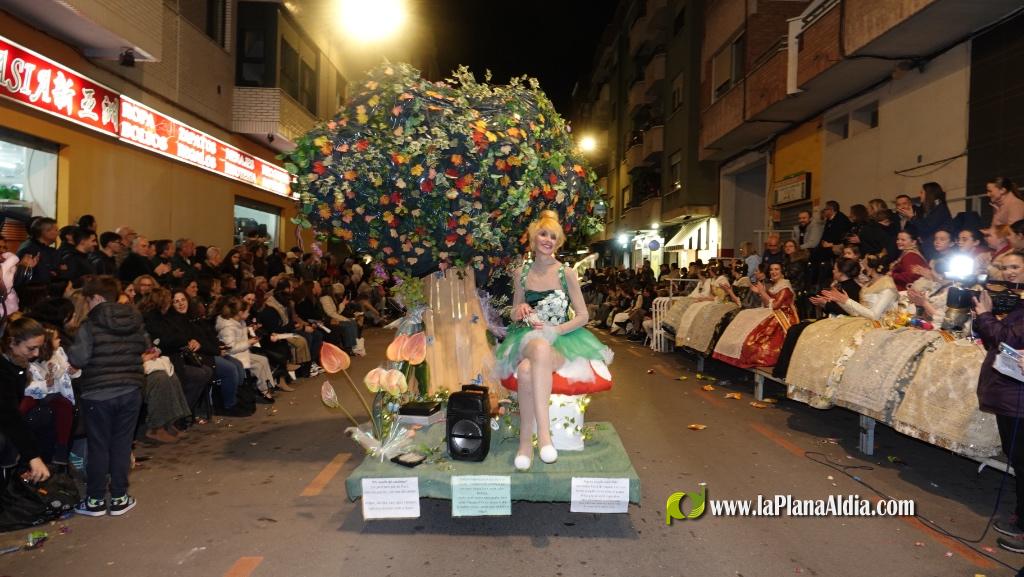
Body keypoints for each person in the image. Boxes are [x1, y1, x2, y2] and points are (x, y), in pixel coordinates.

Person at [494, 211, 613, 471]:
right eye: (543, 234)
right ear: (533, 238)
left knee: (526, 370)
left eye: (553, 236)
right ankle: (545, 437)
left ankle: (526, 445)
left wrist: (555, 331)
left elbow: (583, 316)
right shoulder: (521, 273)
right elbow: (513, 313)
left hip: (561, 339)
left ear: (558, 242)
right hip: (525, 337)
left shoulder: (566, 273)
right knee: (537, 346)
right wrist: (521, 308)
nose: (548, 240)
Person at [67, 276, 148, 517]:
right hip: (131, 389)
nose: (88, 305)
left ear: (97, 298)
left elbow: (79, 359)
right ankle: (120, 497)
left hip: (98, 393)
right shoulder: (134, 318)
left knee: (99, 446)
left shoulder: (89, 326)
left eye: (88, 300)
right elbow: (144, 346)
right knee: (122, 444)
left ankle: (94, 500)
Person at [972, 250, 1024, 553]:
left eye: (1015, 266)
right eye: (1004, 267)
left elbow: (1008, 340)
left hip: (1018, 397)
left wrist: (985, 316)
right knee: (1017, 457)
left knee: (1022, 459)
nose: (1008, 272)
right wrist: (983, 317)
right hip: (1010, 393)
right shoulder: (1015, 302)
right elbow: (994, 340)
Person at [0, 317, 50, 484]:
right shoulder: (4, 370)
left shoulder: (16, 365)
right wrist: (33, 457)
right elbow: (10, 415)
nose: (35, 354)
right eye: (31, 348)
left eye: (38, 348)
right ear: (12, 342)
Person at [727, 262, 798, 368]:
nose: (773, 272)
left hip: (783, 318)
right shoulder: (775, 285)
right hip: (774, 314)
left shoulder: (785, 287)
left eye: (776, 269)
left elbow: (775, 305)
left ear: (782, 272)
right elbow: (767, 304)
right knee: (745, 316)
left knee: (756, 343)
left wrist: (762, 292)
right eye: (771, 269)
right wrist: (760, 293)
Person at [215, 296, 276, 404]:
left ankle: (266, 387)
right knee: (260, 363)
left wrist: (248, 331)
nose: (249, 314)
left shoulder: (239, 322)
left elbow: (239, 338)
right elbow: (230, 348)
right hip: (233, 357)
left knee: (263, 360)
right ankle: (263, 390)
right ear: (239, 312)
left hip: (241, 353)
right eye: (247, 311)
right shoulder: (228, 327)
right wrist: (249, 343)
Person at [826, 254, 898, 320]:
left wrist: (847, 301)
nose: (861, 270)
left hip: (879, 325)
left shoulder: (887, 286)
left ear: (871, 268)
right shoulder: (868, 285)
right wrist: (841, 302)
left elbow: (874, 316)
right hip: (862, 321)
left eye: (863, 265)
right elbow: (857, 313)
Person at [909, 182, 952, 260]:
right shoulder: (929, 209)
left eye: (922, 192)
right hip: (929, 247)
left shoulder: (940, 209)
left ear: (929, 194)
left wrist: (912, 217)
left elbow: (927, 227)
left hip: (936, 251)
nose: (920, 195)